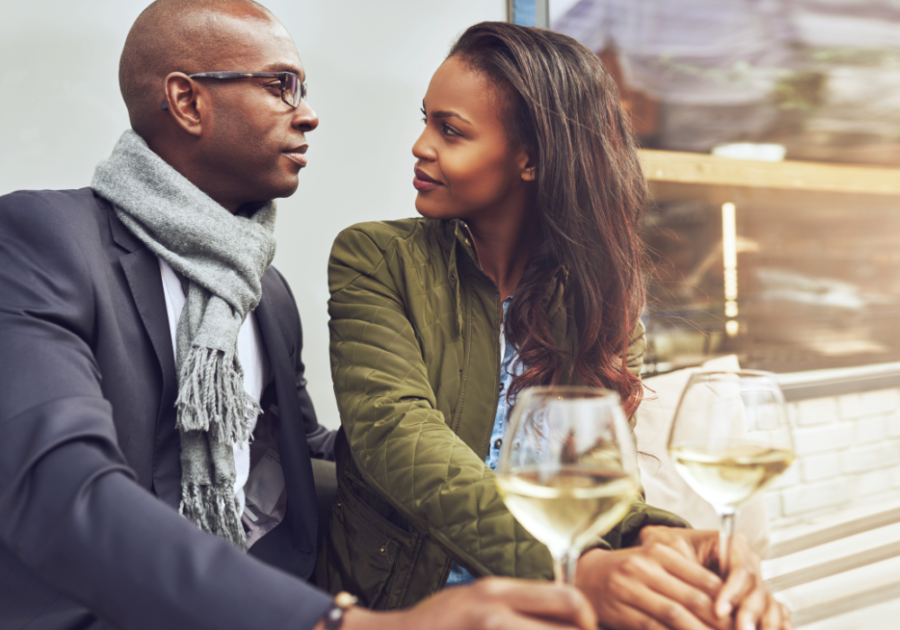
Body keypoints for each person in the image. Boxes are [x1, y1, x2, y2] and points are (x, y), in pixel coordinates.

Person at [0, 3, 600, 630]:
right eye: (280, 85)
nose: (308, 112)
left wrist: (417, 420)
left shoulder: (267, 292)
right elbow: (60, 485)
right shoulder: (42, 240)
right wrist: (338, 622)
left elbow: (288, 452)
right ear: (187, 103)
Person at [319, 22, 790, 630]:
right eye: (426, 119)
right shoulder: (374, 258)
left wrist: (669, 542)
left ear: (531, 160)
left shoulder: (602, 301)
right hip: (408, 607)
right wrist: (577, 569)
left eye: (450, 130)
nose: (420, 145)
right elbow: (399, 437)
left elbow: (601, 482)